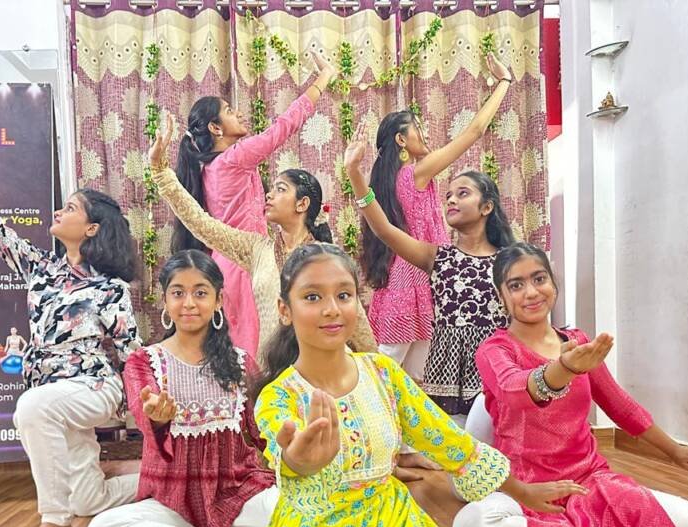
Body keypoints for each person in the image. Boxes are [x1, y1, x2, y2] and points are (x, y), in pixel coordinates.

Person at [149, 243, 584, 527]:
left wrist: (521, 491)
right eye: (312, 297)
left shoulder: (382, 374)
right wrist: (301, 463)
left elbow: (452, 443)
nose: (331, 309)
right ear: (284, 309)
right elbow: (285, 457)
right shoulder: (277, 397)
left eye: (344, 295)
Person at [453, 243, 688, 527]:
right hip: (524, 490)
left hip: (588, 483)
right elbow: (514, 392)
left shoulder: (579, 343)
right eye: (516, 285)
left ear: (553, 283)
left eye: (539, 279)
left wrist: (676, 451)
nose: (531, 292)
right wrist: (563, 369)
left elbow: (620, 406)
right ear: (501, 296)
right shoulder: (495, 350)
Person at [0, 118, 140, 527]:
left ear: (91, 228)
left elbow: (132, 354)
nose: (58, 213)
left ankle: (54, 518)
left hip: (94, 387)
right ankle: (165, 480)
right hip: (50, 390)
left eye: (70, 209)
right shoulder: (39, 270)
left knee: (31, 408)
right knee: (89, 499)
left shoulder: (110, 288)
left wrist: (144, 416)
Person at [87, 250, 278, 527]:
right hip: (172, 503)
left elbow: (264, 432)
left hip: (238, 494)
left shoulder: (241, 362)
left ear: (218, 301)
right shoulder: (144, 362)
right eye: (178, 293)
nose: (189, 303)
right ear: (165, 301)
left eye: (200, 293)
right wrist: (156, 419)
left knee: (295, 517)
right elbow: (143, 411)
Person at [151, 113, 376, 368]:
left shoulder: (328, 257)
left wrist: (381, 374)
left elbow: (358, 323)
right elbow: (202, 224)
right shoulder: (256, 249)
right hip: (273, 370)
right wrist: (160, 171)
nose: (269, 195)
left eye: (280, 189)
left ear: (302, 204)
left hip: (324, 371)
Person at [359, 53, 512, 387]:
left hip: (411, 280)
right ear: (401, 140)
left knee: (407, 376)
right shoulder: (415, 172)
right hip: (417, 278)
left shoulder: (390, 180)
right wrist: (504, 82)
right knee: (391, 375)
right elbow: (475, 131)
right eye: (418, 128)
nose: (425, 133)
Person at [174, 51, 337, 357]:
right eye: (229, 111)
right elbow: (283, 127)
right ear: (215, 128)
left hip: (226, 264)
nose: (238, 114)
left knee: (241, 351)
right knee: (256, 352)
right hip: (244, 267)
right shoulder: (233, 158)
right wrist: (324, 77)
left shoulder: (210, 168)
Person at [346, 140, 514, 422]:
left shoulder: (510, 261)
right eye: (448, 196)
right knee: (453, 445)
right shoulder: (438, 257)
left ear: (486, 207)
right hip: (446, 382)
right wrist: (354, 173)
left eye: (463, 193)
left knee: (492, 445)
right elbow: (384, 229)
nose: (451, 200)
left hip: (495, 374)